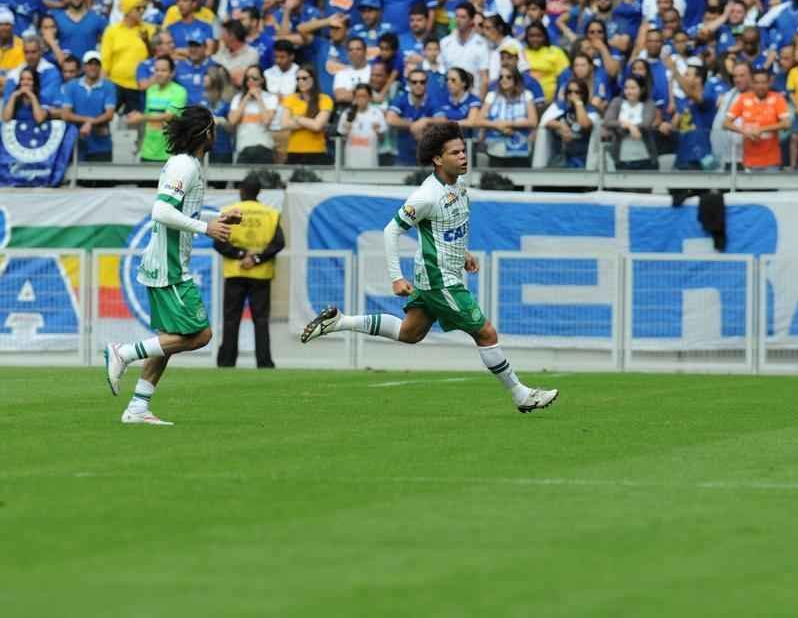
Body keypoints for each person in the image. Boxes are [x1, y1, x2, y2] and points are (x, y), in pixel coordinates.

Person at [300, 122, 558, 414]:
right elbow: (390, 231)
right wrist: (396, 278)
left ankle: (340, 321)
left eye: (463, 151)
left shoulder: (458, 186)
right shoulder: (426, 196)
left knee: (410, 333)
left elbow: (446, 229)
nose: (463, 156)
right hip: (441, 281)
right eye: (455, 152)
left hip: (441, 273)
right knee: (485, 333)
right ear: (438, 159)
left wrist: (463, 253)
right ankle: (520, 394)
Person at [102, 106, 242, 425]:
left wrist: (217, 217)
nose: (216, 135)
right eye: (213, 129)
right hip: (170, 266)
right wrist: (208, 229)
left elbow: (181, 213)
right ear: (204, 132)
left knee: (167, 339)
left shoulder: (186, 164)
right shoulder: (184, 166)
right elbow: (161, 211)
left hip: (165, 262)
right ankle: (122, 352)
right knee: (200, 335)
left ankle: (138, 407)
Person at [213, 175, 285, 369]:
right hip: (260, 274)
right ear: (259, 192)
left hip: (235, 273)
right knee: (261, 321)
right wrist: (255, 258)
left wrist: (240, 254)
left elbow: (219, 242)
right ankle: (264, 363)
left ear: (241, 191)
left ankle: (227, 362)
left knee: (231, 319)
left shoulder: (229, 212)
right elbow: (278, 243)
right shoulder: (271, 213)